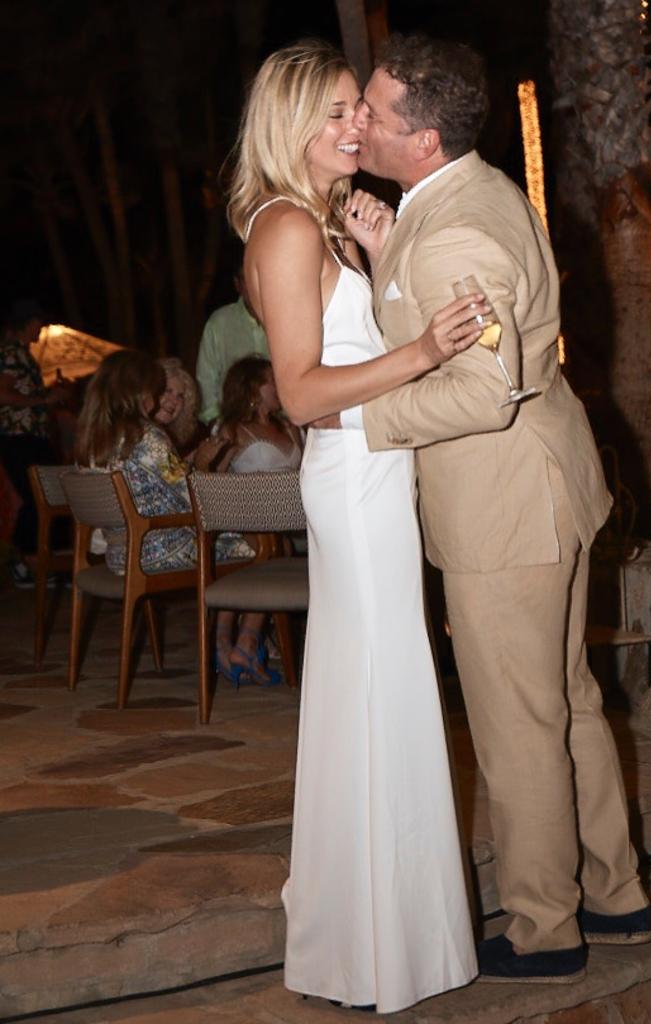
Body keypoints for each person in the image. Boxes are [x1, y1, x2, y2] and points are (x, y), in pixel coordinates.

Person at [339, 33, 651, 984]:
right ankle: (617, 895)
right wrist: (391, 255)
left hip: (504, 515)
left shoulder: (459, 227)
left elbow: (480, 392)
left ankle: (544, 928)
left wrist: (364, 411)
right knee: (567, 705)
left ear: (423, 139)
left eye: (376, 114)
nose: (360, 124)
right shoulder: (464, 196)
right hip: (542, 493)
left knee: (518, 727)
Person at [228, 40, 484, 1013]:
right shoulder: (288, 227)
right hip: (349, 483)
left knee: (385, 700)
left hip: (379, 475)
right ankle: (375, 946)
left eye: (356, 109)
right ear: (288, 124)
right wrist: (421, 350)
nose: (354, 127)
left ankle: (385, 942)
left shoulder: (326, 225)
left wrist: (380, 260)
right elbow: (297, 395)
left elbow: (344, 351)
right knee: (377, 697)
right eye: (334, 112)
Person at [75, 350, 252, 580]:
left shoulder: (91, 438)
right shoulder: (147, 436)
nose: (158, 393)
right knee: (261, 544)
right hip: (157, 553)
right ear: (139, 390)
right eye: (157, 387)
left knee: (244, 537)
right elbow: (195, 499)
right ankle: (215, 615)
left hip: (119, 553)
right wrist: (202, 464)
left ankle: (218, 616)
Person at [195, 356, 302, 686]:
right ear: (254, 388)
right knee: (266, 546)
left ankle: (230, 640)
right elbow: (214, 480)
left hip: (294, 518)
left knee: (273, 544)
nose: (280, 384)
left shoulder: (290, 425)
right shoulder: (230, 430)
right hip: (244, 518)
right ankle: (243, 641)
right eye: (274, 379)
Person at [0, 299, 70, 588]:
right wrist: (44, 400)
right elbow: (2, 394)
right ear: (28, 322)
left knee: (46, 496)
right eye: (39, 323)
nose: (42, 329)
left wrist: (48, 395)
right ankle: (32, 566)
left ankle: (40, 564)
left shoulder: (22, 354)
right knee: (34, 498)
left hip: (30, 437)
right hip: (19, 438)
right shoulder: (10, 353)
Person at [196, 262, 271, 426]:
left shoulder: (285, 318)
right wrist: (217, 423)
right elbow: (206, 378)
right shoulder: (220, 322)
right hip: (233, 425)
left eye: (259, 278)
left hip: (281, 423)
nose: (255, 286)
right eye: (247, 280)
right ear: (237, 284)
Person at [156, 358, 203, 457]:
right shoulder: (136, 433)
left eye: (180, 396)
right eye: (168, 391)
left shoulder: (175, 443)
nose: (174, 401)